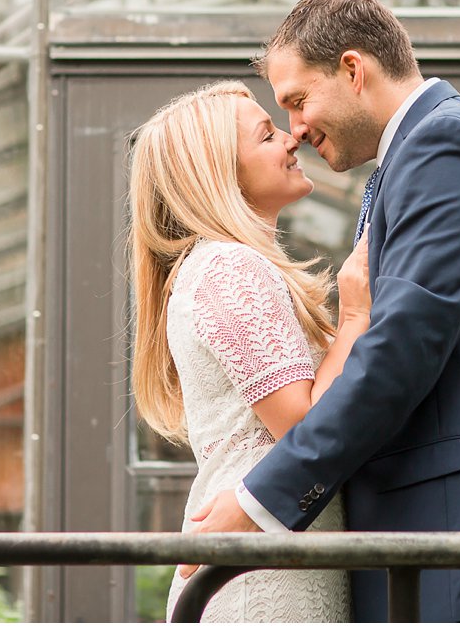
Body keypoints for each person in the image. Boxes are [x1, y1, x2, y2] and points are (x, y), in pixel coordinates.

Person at [183, 0, 460, 623]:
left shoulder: (446, 148)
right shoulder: (416, 158)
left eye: (297, 101)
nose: (295, 129)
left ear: (353, 70)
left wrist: (260, 501)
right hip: (437, 550)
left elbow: (396, 355)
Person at [129, 80, 370, 622]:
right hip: (261, 582)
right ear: (219, 174)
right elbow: (303, 426)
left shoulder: (218, 266)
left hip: (272, 558)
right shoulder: (229, 268)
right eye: (266, 136)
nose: (291, 140)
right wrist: (355, 316)